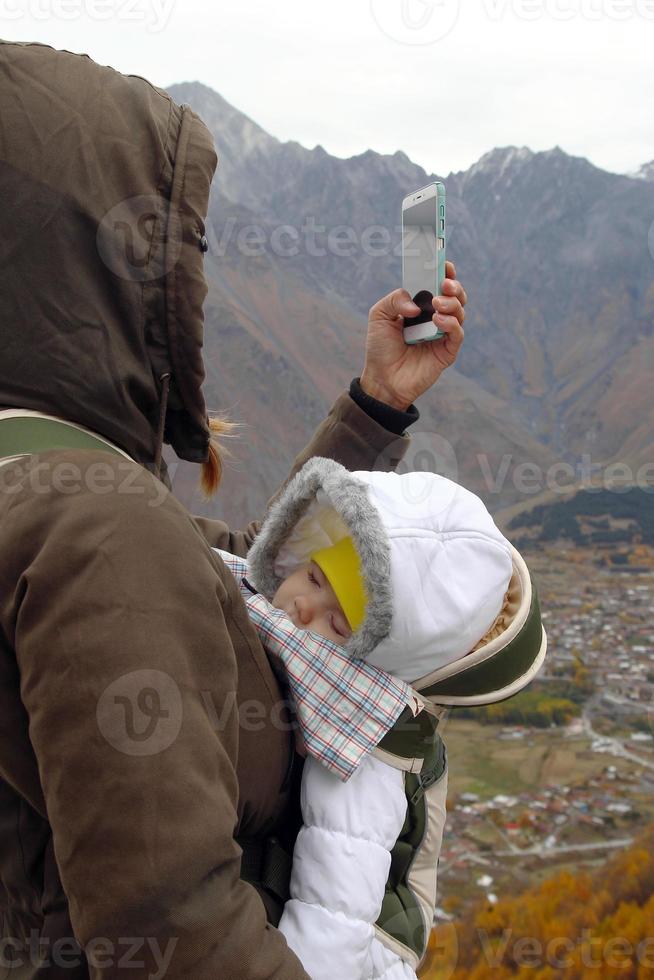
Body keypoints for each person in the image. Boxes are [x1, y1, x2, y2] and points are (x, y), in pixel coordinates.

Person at [0, 39, 469, 980]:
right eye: (184, 246)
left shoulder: (49, 491)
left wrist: (375, 406)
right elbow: (182, 933)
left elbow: (243, 584)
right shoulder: (99, 530)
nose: (197, 288)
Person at [214, 458, 547, 979]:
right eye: (313, 576)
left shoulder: (363, 745)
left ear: (376, 657)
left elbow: (335, 912)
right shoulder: (268, 620)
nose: (303, 608)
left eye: (339, 623)